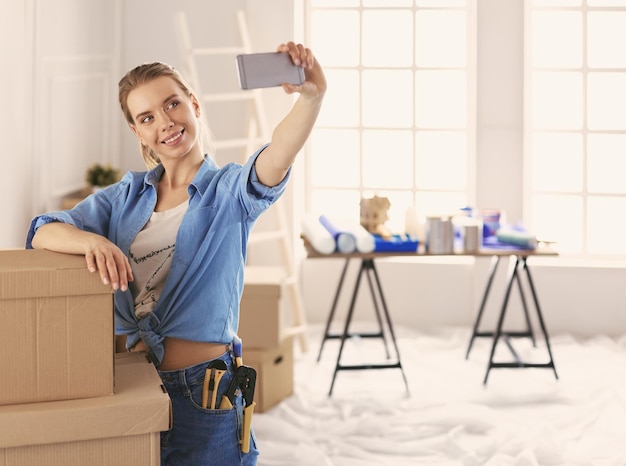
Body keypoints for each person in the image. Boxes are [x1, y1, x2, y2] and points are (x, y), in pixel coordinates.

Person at [25, 41, 326, 465]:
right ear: (137, 131)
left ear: (194, 104)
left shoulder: (229, 192)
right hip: (129, 383)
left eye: (172, 104)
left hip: (204, 390)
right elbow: (42, 231)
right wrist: (92, 240)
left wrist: (312, 97)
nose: (165, 122)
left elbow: (277, 155)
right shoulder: (124, 197)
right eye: (147, 117)